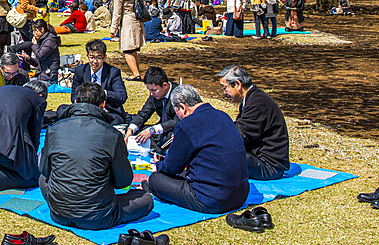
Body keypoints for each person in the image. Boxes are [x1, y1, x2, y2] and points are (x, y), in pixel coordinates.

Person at [39, 83, 154, 230]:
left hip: (59, 213)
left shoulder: (54, 129)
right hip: (98, 216)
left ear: (75, 102)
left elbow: (45, 171)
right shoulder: (112, 135)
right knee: (146, 199)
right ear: (103, 104)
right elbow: (123, 180)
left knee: (42, 178)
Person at [145, 84, 250, 214]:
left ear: (182, 108)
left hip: (211, 199)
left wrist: (159, 165)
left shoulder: (187, 125)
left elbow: (171, 168)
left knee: (155, 179)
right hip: (241, 194)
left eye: (176, 112)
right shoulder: (223, 116)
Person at [218, 65, 290, 181]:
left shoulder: (257, 103)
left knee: (220, 154)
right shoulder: (251, 99)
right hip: (258, 157)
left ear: (237, 84)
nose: (224, 93)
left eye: (225, 88)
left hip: (270, 166)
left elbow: (238, 136)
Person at [71, 39, 128, 124]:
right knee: (62, 110)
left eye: (99, 57)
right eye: (92, 57)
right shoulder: (80, 71)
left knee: (116, 120)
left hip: (107, 112)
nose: (95, 61)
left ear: (105, 57)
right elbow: (73, 97)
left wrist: (101, 93)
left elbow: (121, 96)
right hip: (84, 111)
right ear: (87, 56)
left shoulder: (113, 72)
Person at [124, 67, 177, 150]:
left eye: (154, 90)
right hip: (160, 130)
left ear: (165, 85)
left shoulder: (178, 95)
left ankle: (157, 150)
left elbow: (177, 121)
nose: (151, 94)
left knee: (166, 139)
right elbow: (144, 113)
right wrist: (130, 130)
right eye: (149, 90)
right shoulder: (154, 96)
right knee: (134, 129)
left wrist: (152, 130)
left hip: (174, 131)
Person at [109, 0, 146, 81]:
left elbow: (117, 13)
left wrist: (113, 29)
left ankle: (135, 74)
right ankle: (137, 72)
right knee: (133, 49)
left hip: (127, 23)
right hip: (137, 21)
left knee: (127, 50)